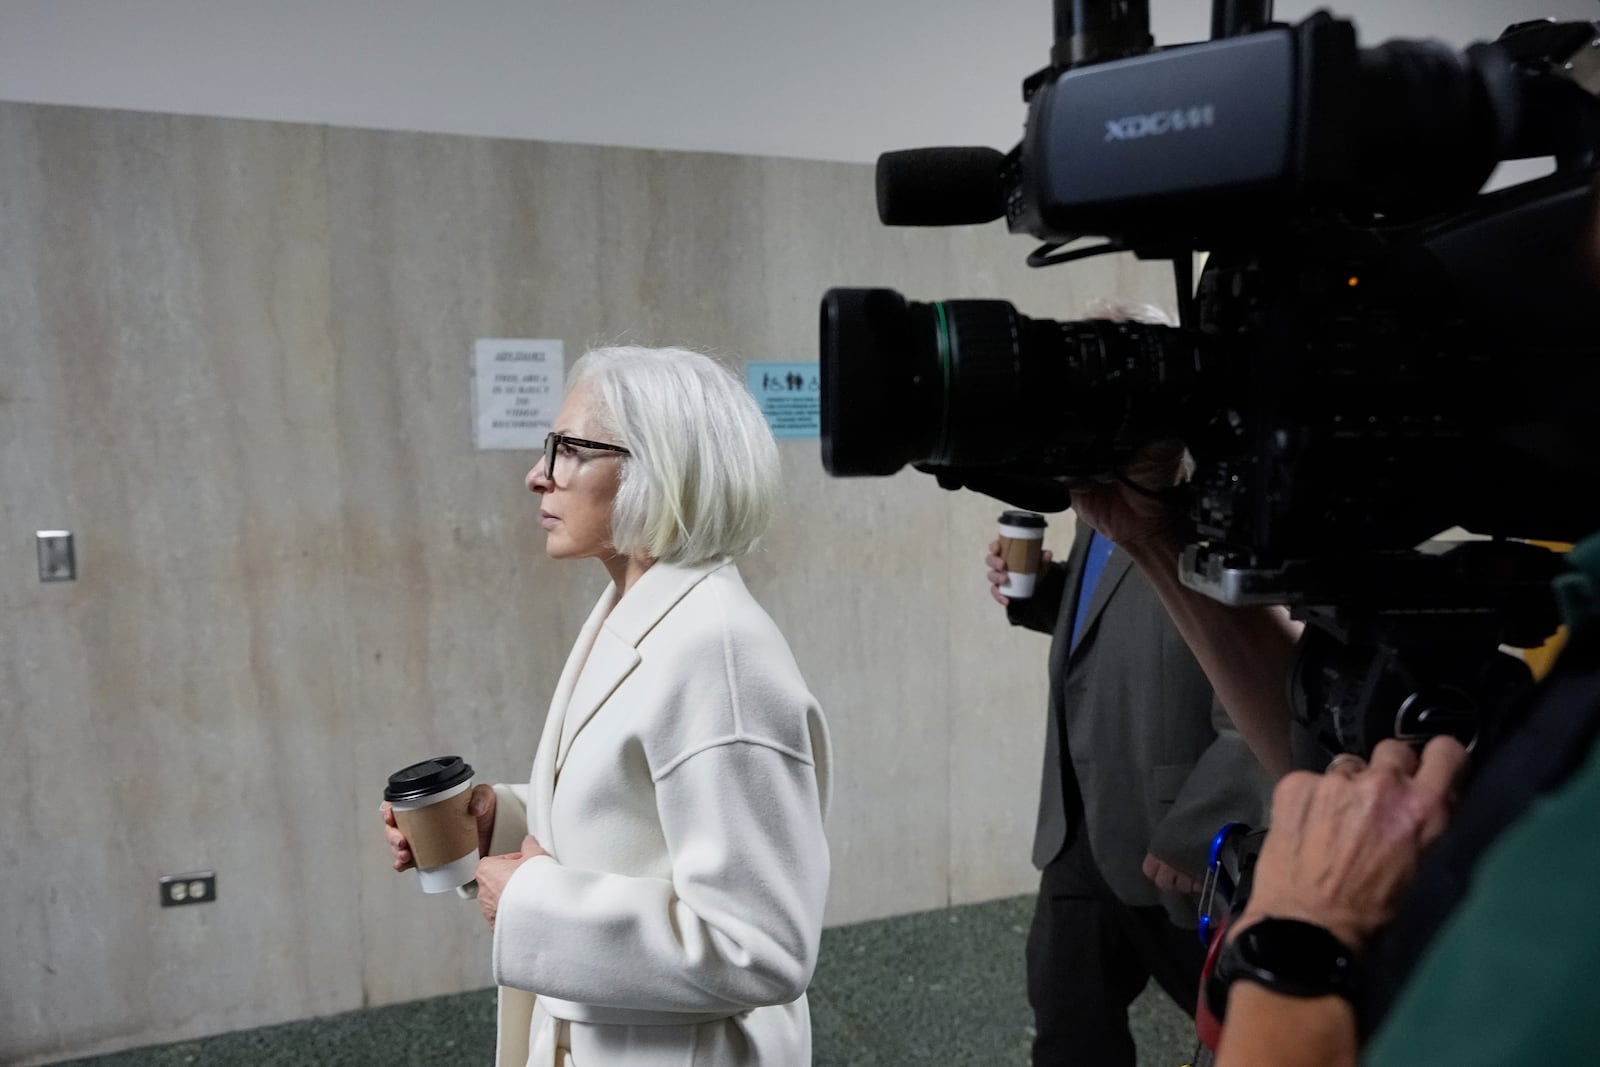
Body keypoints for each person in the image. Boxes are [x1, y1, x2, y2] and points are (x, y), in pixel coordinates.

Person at [380, 345, 832, 1067]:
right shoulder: (637, 608)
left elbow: (763, 945)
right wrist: (504, 822)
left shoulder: (718, 653)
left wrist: (532, 903)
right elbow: (645, 817)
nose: (537, 475)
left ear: (658, 466)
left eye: (568, 451)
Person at [986, 436, 1277, 1066]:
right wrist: (1040, 594)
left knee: (1223, 1032)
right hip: (1076, 822)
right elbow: (1105, 616)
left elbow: (1267, 666)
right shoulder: (1105, 479)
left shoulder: (1218, 478)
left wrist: (1199, 828)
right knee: (1066, 1026)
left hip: (1169, 835)